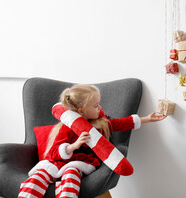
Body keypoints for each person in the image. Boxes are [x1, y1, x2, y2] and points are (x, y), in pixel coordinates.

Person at [18, 84, 166, 198]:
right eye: (96, 106)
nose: (100, 108)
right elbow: (55, 151)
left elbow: (121, 123)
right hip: (57, 162)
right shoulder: (67, 127)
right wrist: (73, 146)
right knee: (38, 176)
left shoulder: (100, 124)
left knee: (71, 173)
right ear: (81, 111)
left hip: (79, 164)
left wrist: (146, 119)